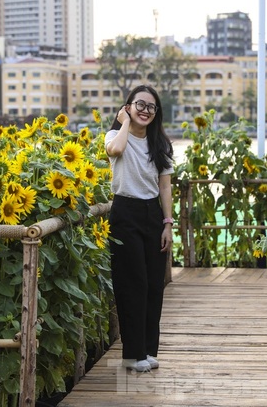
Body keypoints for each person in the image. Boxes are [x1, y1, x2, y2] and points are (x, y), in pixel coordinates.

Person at [104, 84, 175, 373]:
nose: (145, 110)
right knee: (132, 284)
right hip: (125, 212)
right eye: (140, 105)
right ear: (128, 106)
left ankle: (147, 349)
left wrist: (168, 223)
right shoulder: (114, 135)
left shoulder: (160, 145)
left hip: (153, 214)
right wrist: (123, 123)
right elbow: (117, 149)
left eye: (151, 107)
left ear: (156, 113)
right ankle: (132, 355)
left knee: (154, 285)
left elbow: (165, 187)